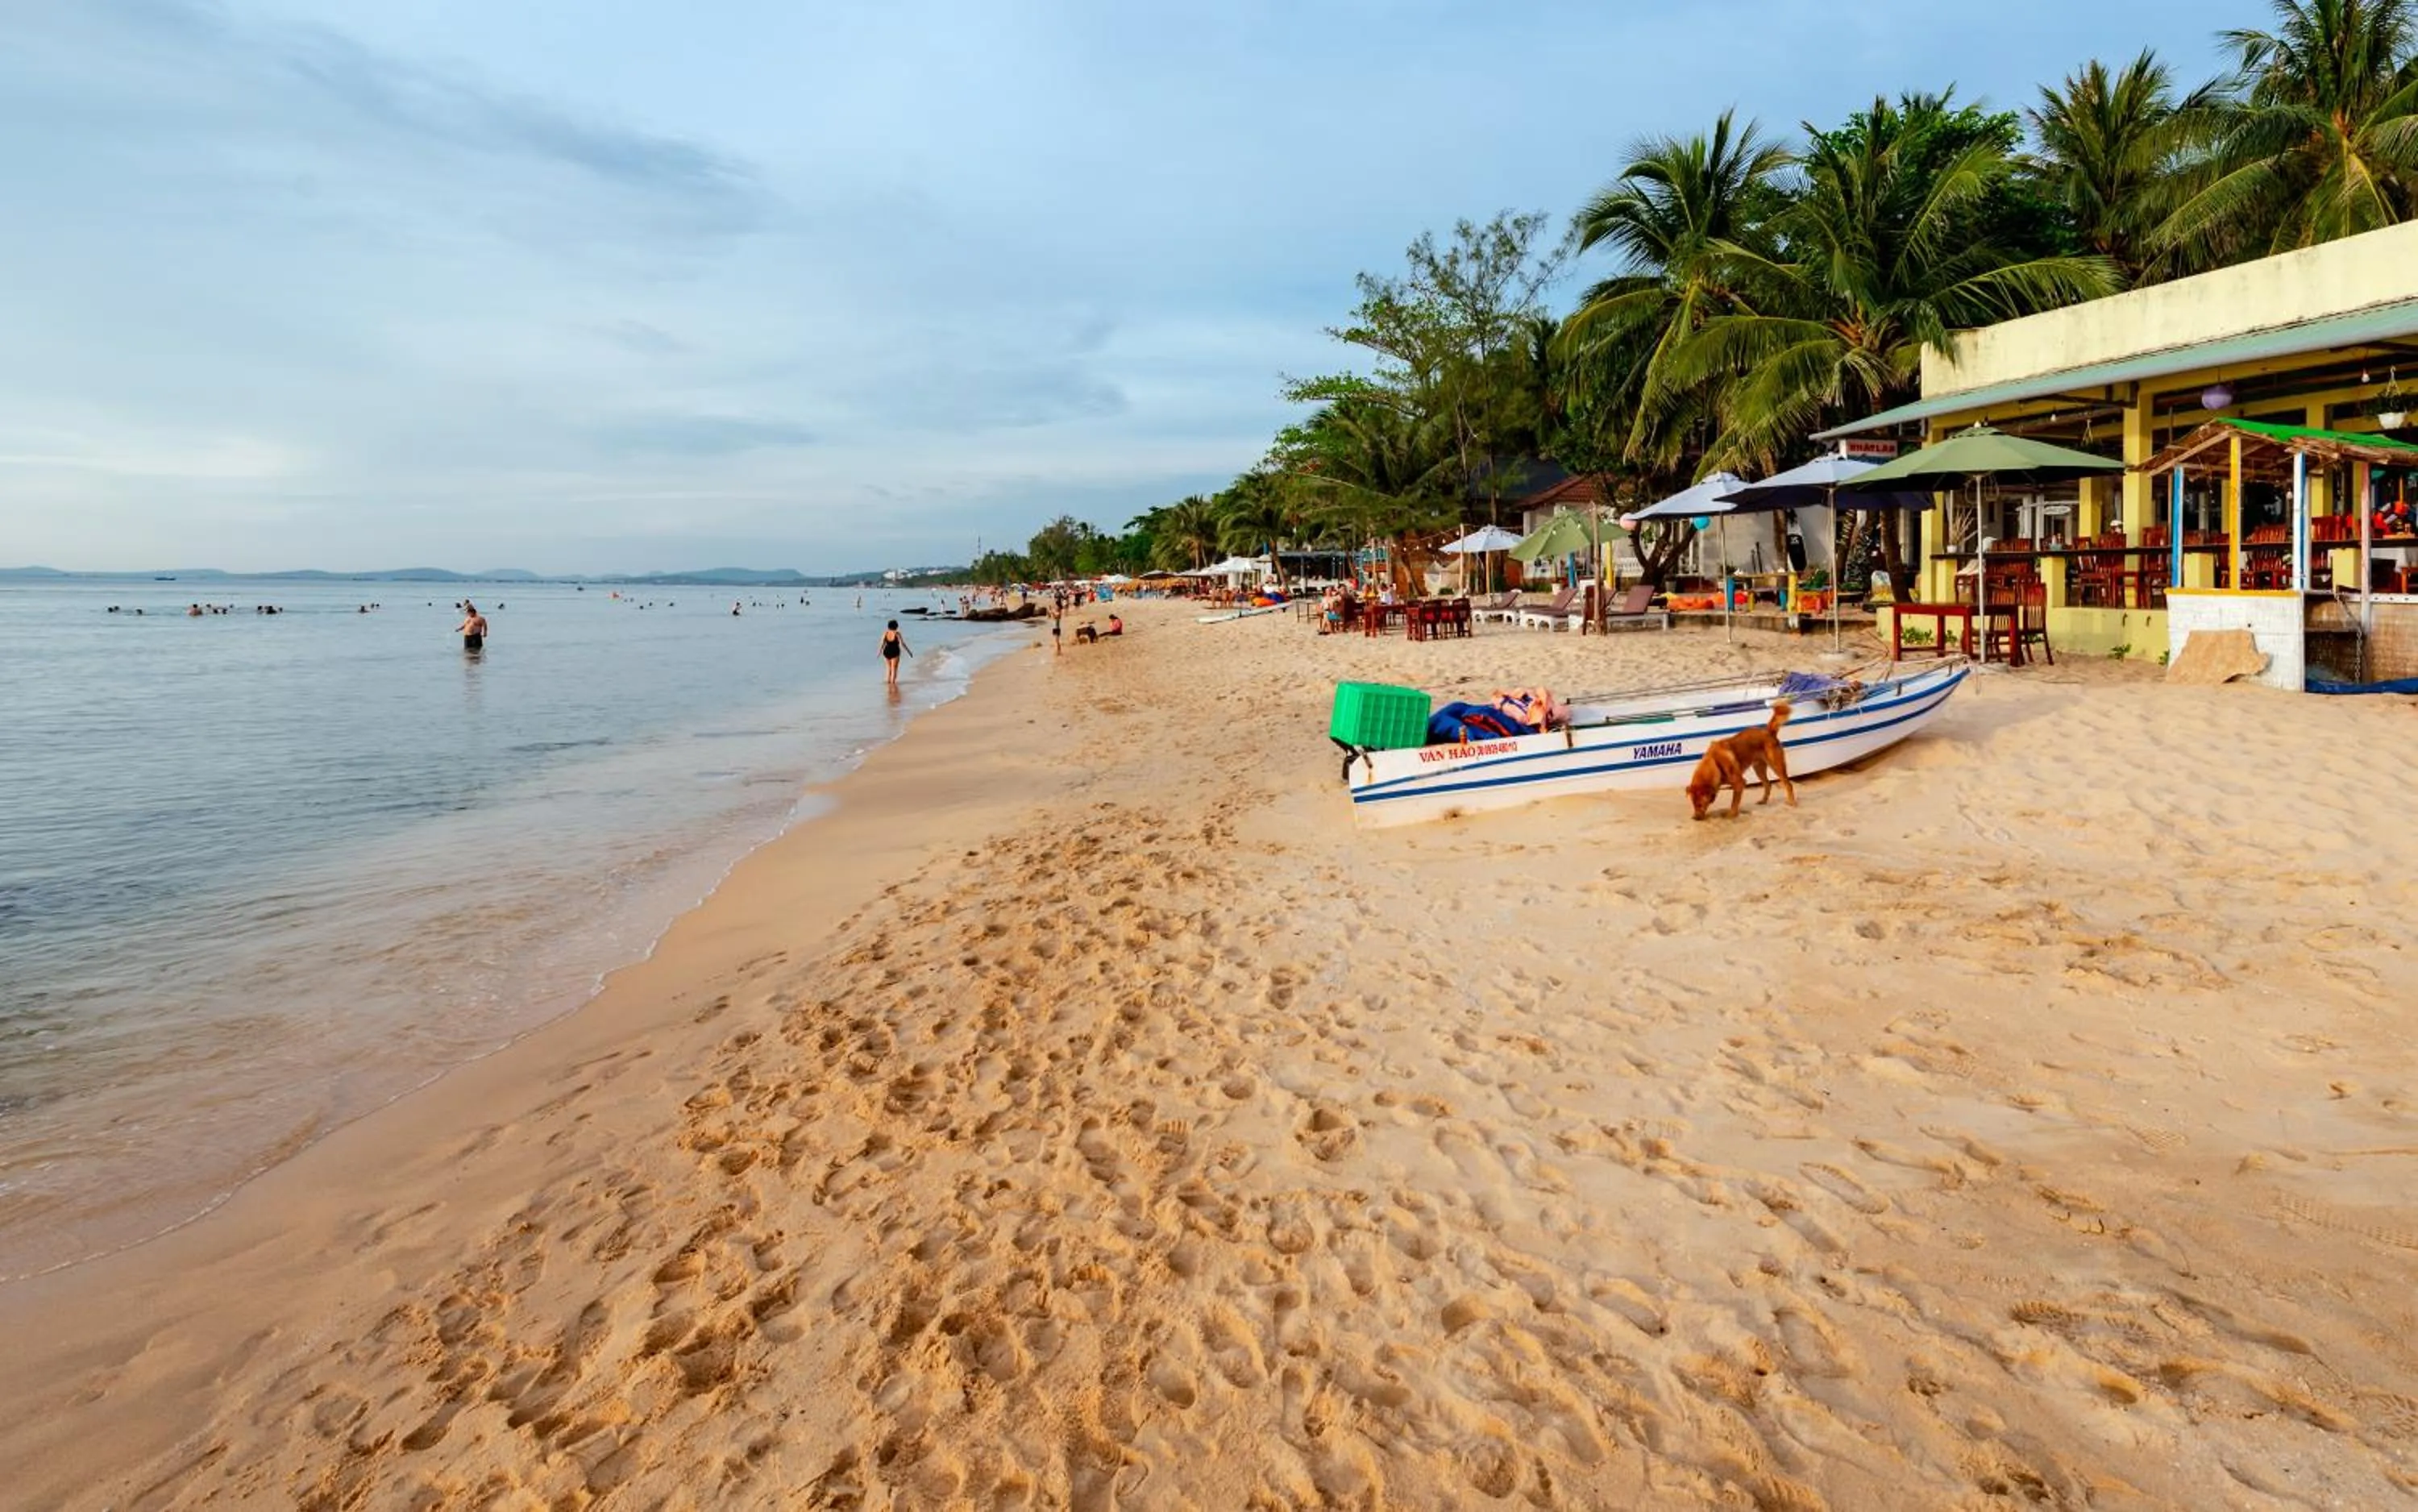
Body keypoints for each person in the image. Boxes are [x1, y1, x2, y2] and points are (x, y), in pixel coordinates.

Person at [880, 619, 912, 687]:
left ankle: (888, 683)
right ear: (896, 626)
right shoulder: (897, 633)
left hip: (886, 651)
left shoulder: (885, 633)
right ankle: (893, 684)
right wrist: (909, 652)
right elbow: (902, 644)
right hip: (895, 652)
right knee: (894, 668)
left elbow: (882, 643)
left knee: (889, 668)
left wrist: (880, 652)